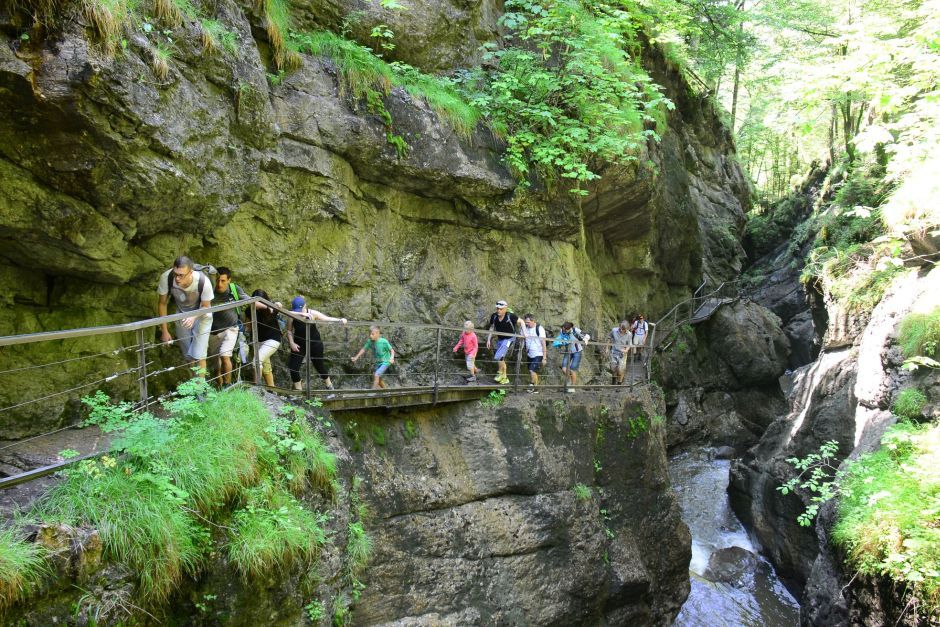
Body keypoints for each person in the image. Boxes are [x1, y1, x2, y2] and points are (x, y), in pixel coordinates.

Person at [157, 256, 214, 374]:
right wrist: (164, 331)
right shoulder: (166, 278)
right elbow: (162, 304)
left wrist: (193, 317)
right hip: (182, 315)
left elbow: (206, 306)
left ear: (190, 272)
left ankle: (201, 385)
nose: (177, 278)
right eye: (175, 274)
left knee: (199, 356)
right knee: (188, 356)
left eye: (181, 275)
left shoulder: (203, 281)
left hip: (202, 314)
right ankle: (193, 383)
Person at [286, 295, 347, 391]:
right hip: (299, 344)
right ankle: (298, 391)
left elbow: (326, 318)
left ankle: (329, 386)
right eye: (296, 310)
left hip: (315, 343)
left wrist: (340, 320)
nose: (298, 312)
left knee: (319, 366)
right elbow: (289, 331)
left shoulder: (312, 313)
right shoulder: (292, 315)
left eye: (300, 310)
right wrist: (291, 343)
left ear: (305, 306)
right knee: (293, 367)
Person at [207, 267, 248, 386]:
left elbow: (250, 300)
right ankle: (220, 387)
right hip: (212, 332)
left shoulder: (234, 289)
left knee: (225, 355)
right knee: (216, 366)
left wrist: (270, 305)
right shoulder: (209, 290)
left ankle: (227, 384)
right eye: (217, 280)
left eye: (223, 281)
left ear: (229, 280)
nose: (219, 284)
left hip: (231, 328)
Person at [245, 289, 282, 387]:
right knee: (266, 368)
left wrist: (275, 305)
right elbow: (248, 326)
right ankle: (272, 390)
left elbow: (280, 305)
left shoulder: (272, 308)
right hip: (258, 341)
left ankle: (256, 389)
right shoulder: (250, 309)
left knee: (256, 362)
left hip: (272, 340)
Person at [485, 300, 520, 384]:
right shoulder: (494, 316)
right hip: (500, 339)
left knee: (498, 356)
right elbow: (492, 327)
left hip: (509, 339)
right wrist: (488, 339)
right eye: (497, 308)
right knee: (501, 358)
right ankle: (505, 377)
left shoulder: (510, 316)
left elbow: (521, 321)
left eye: (501, 309)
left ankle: (500, 373)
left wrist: (525, 332)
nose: (498, 310)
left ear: (505, 309)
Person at [553, 322, 590, 392]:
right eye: (563, 329)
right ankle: (570, 380)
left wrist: (586, 339)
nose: (564, 331)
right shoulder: (562, 330)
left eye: (566, 330)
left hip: (577, 351)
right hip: (568, 351)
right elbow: (561, 338)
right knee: (564, 369)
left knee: (573, 369)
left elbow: (587, 335)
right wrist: (559, 344)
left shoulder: (575, 330)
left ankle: (572, 387)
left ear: (570, 328)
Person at [521, 314, 547, 391]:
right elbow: (522, 338)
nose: (526, 324)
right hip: (529, 353)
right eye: (525, 322)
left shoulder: (539, 329)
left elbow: (543, 343)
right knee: (532, 370)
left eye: (528, 322)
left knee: (532, 370)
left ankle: (533, 386)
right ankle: (534, 386)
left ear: (533, 321)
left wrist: (544, 358)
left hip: (538, 353)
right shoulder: (525, 328)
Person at [607, 320, 633, 385]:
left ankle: (619, 383)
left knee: (620, 370)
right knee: (613, 368)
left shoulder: (629, 334)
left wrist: (626, 350)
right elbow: (609, 338)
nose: (621, 330)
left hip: (623, 354)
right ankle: (613, 382)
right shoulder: (614, 330)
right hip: (614, 352)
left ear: (626, 329)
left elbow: (629, 344)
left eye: (623, 329)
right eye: (620, 328)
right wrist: (607, 348)